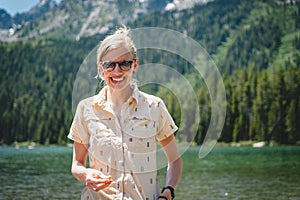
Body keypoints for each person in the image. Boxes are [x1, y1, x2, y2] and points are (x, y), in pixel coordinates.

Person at [68, 26, 182, 200]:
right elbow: (77, 165)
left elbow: (174, 160)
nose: (117, 71)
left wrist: (167, 193)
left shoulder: (155, 107)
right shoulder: (85, 109)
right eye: (109, 64)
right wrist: (86, 175)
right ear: (100, 68)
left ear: (135, 65)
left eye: (124, 63)